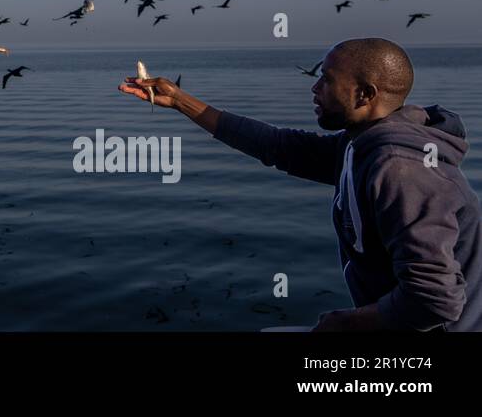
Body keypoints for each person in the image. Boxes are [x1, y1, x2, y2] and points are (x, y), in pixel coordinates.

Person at [120, 37, 482, 331]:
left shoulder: (399, 168)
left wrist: (347, 322)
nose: (315, 87)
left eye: (327, 79)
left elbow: (435, 299)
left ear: (365, 95)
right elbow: (278, 147)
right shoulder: (363, 145)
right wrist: (180, 100)